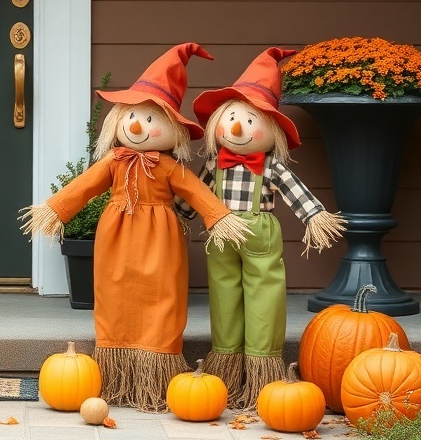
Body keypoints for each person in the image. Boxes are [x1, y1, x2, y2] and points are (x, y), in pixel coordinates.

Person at [22, 43, 250, 411]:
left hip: (161, 237)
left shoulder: (169, 167)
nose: (138, 126)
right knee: (113, 291)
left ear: (172, 129)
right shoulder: (114, 160)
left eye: (151, 119)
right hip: (116, 234)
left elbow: (196, 193)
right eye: (132, 116)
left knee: (162, 294)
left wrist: (219, 217)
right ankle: (118, 371)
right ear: (118, 120)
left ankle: (155, 373)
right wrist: (53, 210)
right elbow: (83, 187)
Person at [192, 47, 345, 408]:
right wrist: (177, 214)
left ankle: (261, 369)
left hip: (260, 233)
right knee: (223, 296)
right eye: (231, 117)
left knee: (265, 297)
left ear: (270, 129)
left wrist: (314, 216)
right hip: (221, 234)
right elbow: (196, 195)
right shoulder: (215, 164)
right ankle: (226, 363)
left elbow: (297, 193)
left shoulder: (272, 166)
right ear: (218, 122)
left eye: (250, 119)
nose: (237, 127)